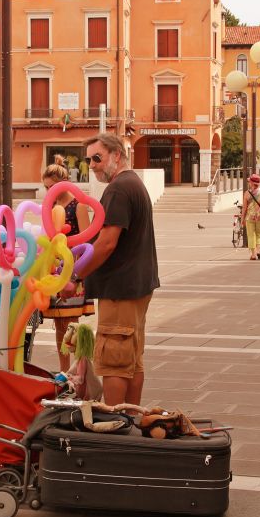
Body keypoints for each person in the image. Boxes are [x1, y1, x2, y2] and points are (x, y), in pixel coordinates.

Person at [77, 133, 158, 407]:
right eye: (89, 160)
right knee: (132, 359)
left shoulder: (118, 189)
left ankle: (115, 420)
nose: (93, 165)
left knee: (113, 360)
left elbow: (107, 243)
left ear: (117, 156)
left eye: (97, 158)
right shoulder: (133, 183)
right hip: (137, 286)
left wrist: (77, 275)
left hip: (120, 289)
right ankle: (132, 418)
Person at [41, 164, 95, 371]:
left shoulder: (77, 205)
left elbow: (88, 239)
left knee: (73, 323)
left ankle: (79, 369)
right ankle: (64, 370)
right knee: (59, 324)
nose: (49, 192)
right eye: (46, 188)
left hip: (73, 270)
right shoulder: (50, 206)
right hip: (55, 269)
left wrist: (75, 272)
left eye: (52, 187)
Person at [242, 174, 260, 260]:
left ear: (251, 183)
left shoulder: (247, 194)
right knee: (259, 234)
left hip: (250, 217)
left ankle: (253, 254)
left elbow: (244, 207)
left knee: (251, 235)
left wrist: (242, 218)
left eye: (249, 182)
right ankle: (258, 250)